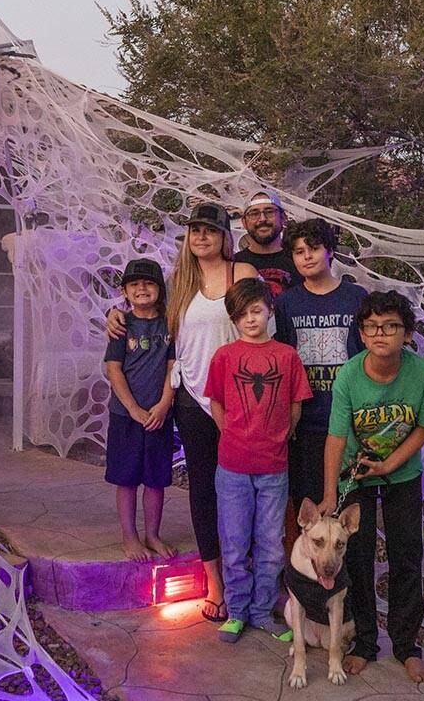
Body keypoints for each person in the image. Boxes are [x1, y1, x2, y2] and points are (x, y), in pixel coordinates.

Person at [322, 290, 424, 684]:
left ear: (406, 334)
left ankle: (407, 647)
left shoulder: (422, 373)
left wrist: (391, 462)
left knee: (406, 555)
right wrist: (328, 493)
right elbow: (337, 437)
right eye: (372, 326)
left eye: (390, 326)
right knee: (356, 557)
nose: (380, 334)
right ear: (361, 334)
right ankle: (366, 644)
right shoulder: (350, 375)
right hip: (355, 474)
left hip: (401, 475)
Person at [162, 202, 259, 622]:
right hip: (192, 399)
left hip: (239, 399)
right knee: (203, 490)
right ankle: (215, 585)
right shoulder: (179, 281)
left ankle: (251, 581)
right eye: (195, 230)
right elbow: (150, 322)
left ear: (224, 236)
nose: (201, 237)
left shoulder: (243, 274)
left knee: (244, 490)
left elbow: (261, 331)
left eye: (210, 230)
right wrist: (117, 316)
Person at [205, 278, 312, 643]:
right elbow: (216, 401)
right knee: (234, 542)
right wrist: (230, 433)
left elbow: (296, 402)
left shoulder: (286, 356)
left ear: (269, 310)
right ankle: (236, 612)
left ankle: (263, 612)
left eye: (256, 311)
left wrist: (283, 434)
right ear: (233, 319)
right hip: (232, 466)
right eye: (242, 314)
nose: (250, 319)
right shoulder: (223, 357)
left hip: (274, 467)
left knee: (270, 542)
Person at [274, 218, 367, 524]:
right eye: (299, 252)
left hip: (349, 422)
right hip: (307, 426)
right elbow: (284, 360)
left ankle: (355, 574)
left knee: (350, 515)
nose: (307, 256)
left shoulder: (355, 297)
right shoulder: (286, 304)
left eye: (314, 248)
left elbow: (368, 355)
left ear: (329, 251)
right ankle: (310, 573)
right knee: (310, 515)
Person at [103, 257, 178, 561]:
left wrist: (163, 404)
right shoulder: (121, 325)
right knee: (127, 478)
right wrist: (132, 407)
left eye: (148, 284)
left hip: (159, 415)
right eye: (135, 284)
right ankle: (130, 536)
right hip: (126, 416)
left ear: (160, 289)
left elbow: (174, 366)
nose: (142, 289)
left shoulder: (170, 324)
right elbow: (114, 370)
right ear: (125, 291)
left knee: (156, 479)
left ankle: (152, 534)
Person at [232, 190, 302, 298]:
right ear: (244, 223)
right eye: (254, 213)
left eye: (269, 212)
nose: (262, 219)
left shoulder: (302, 261)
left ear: (283, 218)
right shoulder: (234, 264)